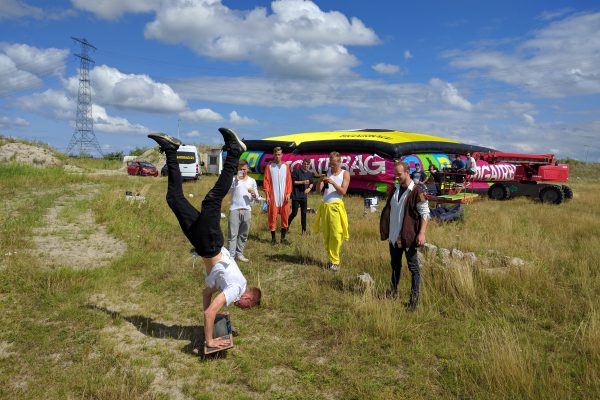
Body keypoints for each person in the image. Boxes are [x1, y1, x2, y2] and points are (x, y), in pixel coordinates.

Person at [148, 128, 261, 350]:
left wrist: (210, 318)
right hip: (209, 242)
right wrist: (209, 338)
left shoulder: (222, 282)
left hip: (201, 243)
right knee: (211, 201)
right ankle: (235, 153)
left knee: (174, 198)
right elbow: (211, 311)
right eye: (245, 308)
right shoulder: (237, 288)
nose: (239, 307)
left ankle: (171, 150)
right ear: (248, 299)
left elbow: (206, 294)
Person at [380, 161, 430, 311]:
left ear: (407, 172)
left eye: (399, 174)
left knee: (413, 268)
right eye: (395, 174)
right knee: (395, 266)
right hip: (394, 237)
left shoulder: (417, 191)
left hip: (409, 237)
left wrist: (421, 233)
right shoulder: (394, 189)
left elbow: (425, 214)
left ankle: (413, 302)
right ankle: (393, 292)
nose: (396, 177)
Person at [314, 152, 350, 272]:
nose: (332, 166)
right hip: (325, 207)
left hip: (336, 207)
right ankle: (331, 260)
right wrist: (320, 180)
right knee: (327, 235)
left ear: (339, 162)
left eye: (334, 164)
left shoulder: (345, 173)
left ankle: (335, 261)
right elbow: (318, 191)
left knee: (336, 234)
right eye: (331, 164)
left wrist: (333, 182)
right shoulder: (327, 172)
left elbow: (343, 192)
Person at [227, 159, 260, 263]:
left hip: (247, 210)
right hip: (234, 209)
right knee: (232, 234)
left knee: (243, 234)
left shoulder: (252, 181)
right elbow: (228, 191)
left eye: (244, 169)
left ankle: (239, 254)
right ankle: (231, 256)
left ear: (248, 169)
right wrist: (236, 181)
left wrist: (254, 194)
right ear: (238, 169)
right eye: (241, 169)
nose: (243, 171)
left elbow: (257, 197)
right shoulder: (233, 179)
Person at [263, 147, 293, 245]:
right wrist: (267, 195)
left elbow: (289, 181)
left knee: (285, 216)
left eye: (279, 154)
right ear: (273, 155)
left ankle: (283, 238)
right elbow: (266, 181)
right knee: (272, 216)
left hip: (284, 197)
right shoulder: (269, 166)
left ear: (282, 155)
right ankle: (273, 239)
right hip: (273, 196)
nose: (277, 156)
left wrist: (288, 193)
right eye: (276, 154)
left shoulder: (286, 166)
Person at [288, 158, 314, 234]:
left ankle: (304, 231)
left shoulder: (309, 173)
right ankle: (286, 225)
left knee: (304, 213)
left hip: (304, 197)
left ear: (309, 165)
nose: (306, 165)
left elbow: (311, 182)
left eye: (307, 164)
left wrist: (309, 188)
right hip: (296, 196)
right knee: (294, 213)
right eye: (305, 164)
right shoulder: (296, 172)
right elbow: (294, 182)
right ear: (302, 164)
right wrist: (303, 182)